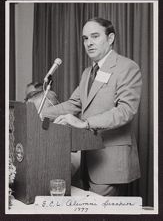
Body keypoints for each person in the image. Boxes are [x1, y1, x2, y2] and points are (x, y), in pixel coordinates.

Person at [41, 17, 142, 196]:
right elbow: (74, 104)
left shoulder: (127, 67)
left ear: (110, 39)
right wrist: (37, 112)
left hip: (110, 161)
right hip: (88, 158)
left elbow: (125, 111)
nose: (89, 43)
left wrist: (85, 123)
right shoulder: (88, 72)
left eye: (95, 36)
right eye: (85, 38)